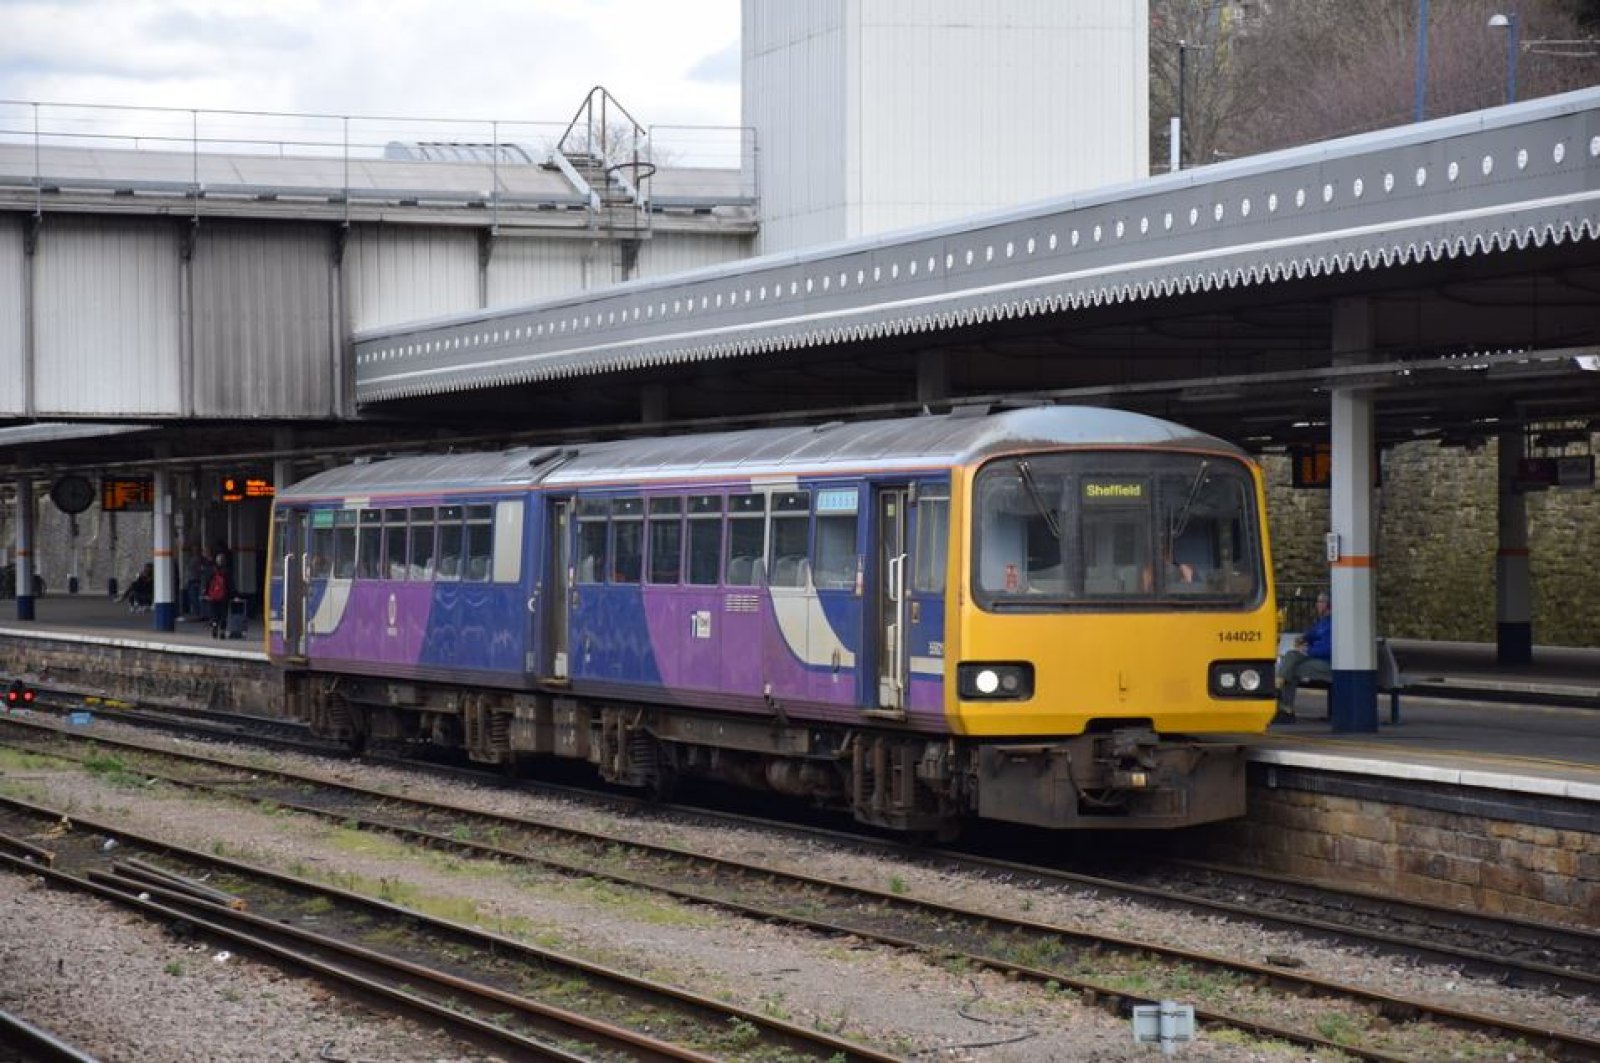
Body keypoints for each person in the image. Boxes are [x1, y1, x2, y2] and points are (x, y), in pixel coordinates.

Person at [1276, 591, 1331, 722]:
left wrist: (1308, 650)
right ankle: (1281, 693)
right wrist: (1303, 638)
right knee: (1290, 659)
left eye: (1320, 602)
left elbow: (1328, 649)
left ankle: (1285, 706)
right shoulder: (1323, 622)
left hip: (1327, 663)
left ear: (1328, 605)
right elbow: (1313, 633)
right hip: (1316, 659)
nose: (1317, 605)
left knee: (1291, 667)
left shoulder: (1334, 624)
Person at [203, 554, 230, 637]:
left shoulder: (211, 571)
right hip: (224, 597)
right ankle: (222, 631)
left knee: (214, 613)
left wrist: (206, 593)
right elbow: (230, 585)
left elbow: (207, 583)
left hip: (212, 597)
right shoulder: (227, 572)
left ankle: (214, 625)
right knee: (223, 614)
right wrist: (233, 595)